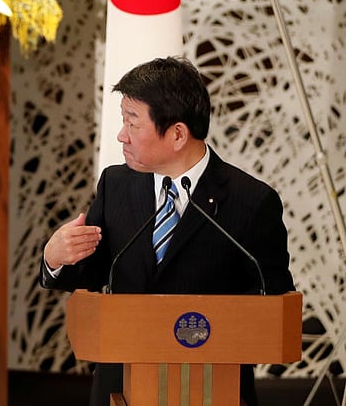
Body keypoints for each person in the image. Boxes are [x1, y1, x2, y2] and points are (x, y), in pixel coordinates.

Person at [40, 56, 294, 406]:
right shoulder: (116, 184)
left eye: (133, 123)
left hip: (212, 387)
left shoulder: (252, 201)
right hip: (122, 387)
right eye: (123, 120)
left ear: (177, 134)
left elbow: (272, 300)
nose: (122, 135)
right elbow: (93, 272)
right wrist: (55, 259)